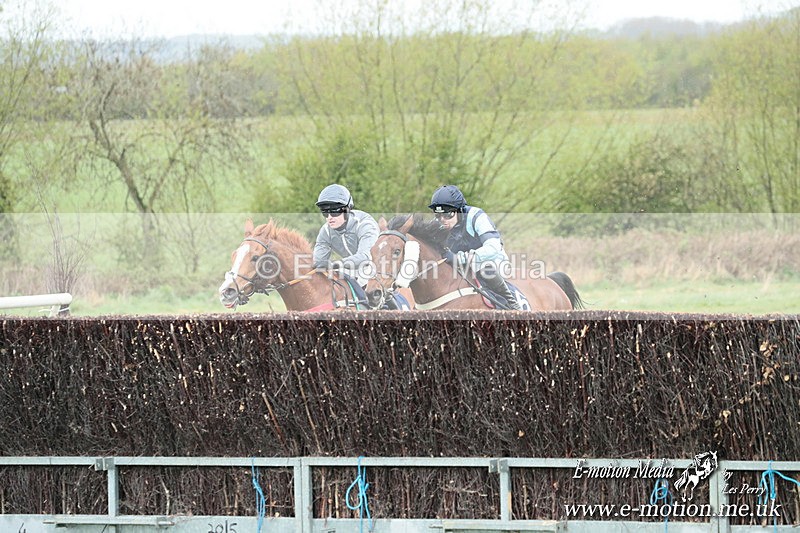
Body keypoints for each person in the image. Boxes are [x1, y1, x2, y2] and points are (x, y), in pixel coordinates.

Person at [428, 184, 521, 310]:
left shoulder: (476, 216)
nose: (443, 220)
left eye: (448, 214)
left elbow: (493, 248)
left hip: (491, 261)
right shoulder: (438, 224)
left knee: (485, 268)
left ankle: (512, 304)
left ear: (459, 210)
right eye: (438, 216)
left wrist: (460, 258)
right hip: (463, 265)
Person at [312, 183, 379, 290]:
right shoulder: (326, 231)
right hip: (349, 270)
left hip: (376, 268)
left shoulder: (365, 225)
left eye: (334, 212)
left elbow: (365, 258)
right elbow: (318, 262)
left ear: (347, 209)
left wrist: (335, 264)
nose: (329, 217)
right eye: (325, 213)